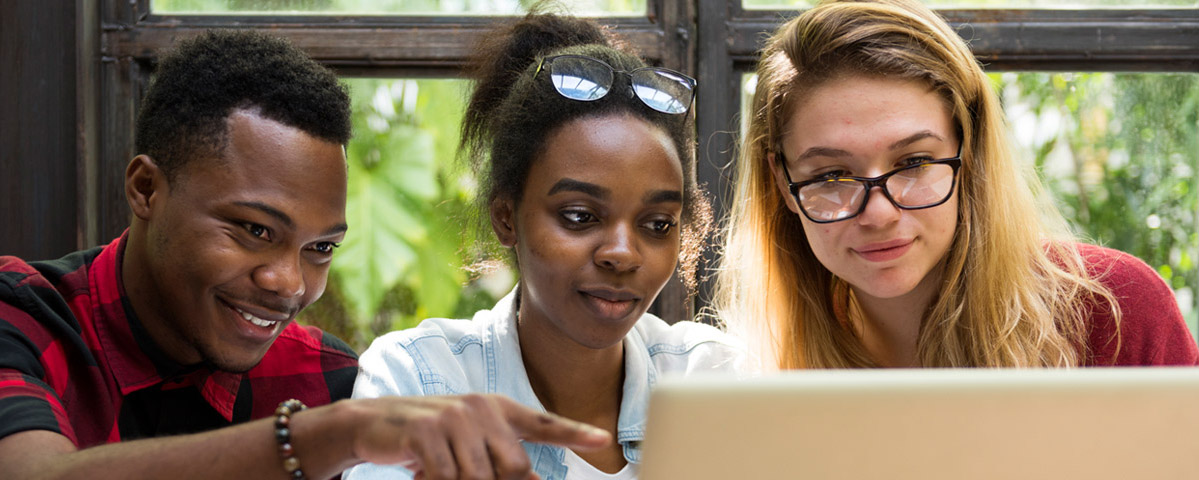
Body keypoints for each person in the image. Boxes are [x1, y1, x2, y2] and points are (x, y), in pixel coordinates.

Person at [0, 30, 611, 480]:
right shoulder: (20, 317)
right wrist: (314, 442)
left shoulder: (329, 379)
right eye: (254, 230)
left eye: (320, 249)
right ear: (145, 189)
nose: (288, 283)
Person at [345, 12, 743, 480]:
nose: (623, 253)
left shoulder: (711, 378)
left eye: (657, 224)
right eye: (580, 217)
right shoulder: (422, 380)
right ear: (507, 217)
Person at [715, 0, 1198, 369]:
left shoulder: (1114, 312)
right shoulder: (755, 369)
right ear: (783, 182)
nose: (879, 214)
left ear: (970, 155)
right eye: (831, 176)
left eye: (915, 161)